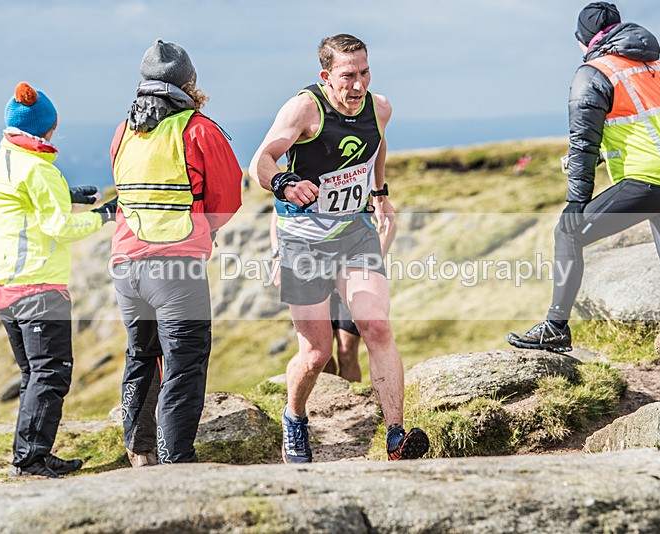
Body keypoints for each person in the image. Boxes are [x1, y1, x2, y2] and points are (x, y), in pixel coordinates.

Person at [250, 34, 429, 463]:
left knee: (377, 327)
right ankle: (294, 417)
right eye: (348, 76)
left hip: (355, 232)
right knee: (316, 352)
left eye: (365, 73)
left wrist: (381, 192)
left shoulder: (379, 107)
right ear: (326, 76)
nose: (358, 85)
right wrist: (285, 182)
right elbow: (261, 160)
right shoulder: (304, 109)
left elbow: (377, 144)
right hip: (303, 240)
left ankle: (395, 436)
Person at [507, 2, 660, 352]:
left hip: (649, 181)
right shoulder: (655, 66)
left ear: (583, 39)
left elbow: (582, 142)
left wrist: (575, 201)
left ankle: (555, 326)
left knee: (566, 233)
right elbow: (644, 127)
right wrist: (605, 155)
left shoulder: (594, 72)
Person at [109, 39, 242, 465]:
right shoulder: (198, 129)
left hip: (126, 268)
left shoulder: (124, 131)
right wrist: (203, 230)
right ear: (190, 83)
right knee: (184, 365)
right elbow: (228, 198)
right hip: (176, 271)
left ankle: (140, 451)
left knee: (141, 357)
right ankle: (176, 462)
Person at [0, 82, 117, 478]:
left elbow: (22, 199)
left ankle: (33, 452)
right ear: (46, 128)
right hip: (39, 288)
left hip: (6, 290)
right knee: (51, 375)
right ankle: (30, 460)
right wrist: (104, 215)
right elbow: (59, 227)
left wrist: (66, 192)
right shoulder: (39, 169)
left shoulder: (1, 162)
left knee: (34, 376)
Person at [269, 207, 397, 382]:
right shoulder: (303, 182)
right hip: (313, 267)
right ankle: (327, 397)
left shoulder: (358, 180)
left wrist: (369, 262)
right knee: (320, 352)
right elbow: (279, 213)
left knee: (347, 350)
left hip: (351, 273)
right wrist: (277, 256)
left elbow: (388, 221)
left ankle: (348, 403)